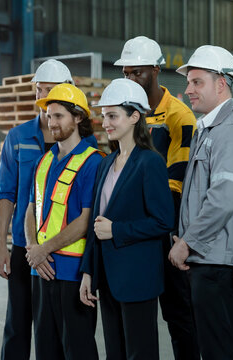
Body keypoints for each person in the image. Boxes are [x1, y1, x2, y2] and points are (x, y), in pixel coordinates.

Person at [0, 59, 97, 360]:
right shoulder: (17, 137)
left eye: (55, 91)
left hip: (64, 254)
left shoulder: (85, 144)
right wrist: (4, 245)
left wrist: (47, 249)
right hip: (25, 247)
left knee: (58, 334)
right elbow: (8, 194)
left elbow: (84, 205)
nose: (48, 98)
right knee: (18, 324)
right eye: (42, 91)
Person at [169, 45, 233, 360]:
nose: (189, 90)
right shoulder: (209, 128)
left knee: (219, 349)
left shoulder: (232, 131)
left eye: (197, 82)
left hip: (217, 259)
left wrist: (187, 242)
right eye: (189, 82)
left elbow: (222, 200)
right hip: (204, 257)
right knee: (214, 347)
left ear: (221, 83)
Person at [113, 35, 199, 360]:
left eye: (138, 72)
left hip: (166, 230)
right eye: (126, 73)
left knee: (179, 315)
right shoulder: (124, 115)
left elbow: (178, 181)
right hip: (133, 233)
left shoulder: (179, 117)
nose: (132, 79)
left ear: (156, 69)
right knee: (136, 316)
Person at [79, 78, 175, 360]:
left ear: (135, 116)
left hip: (137, 277)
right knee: (115, 354)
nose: (106, 123)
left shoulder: (150, 162)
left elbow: (163, 220)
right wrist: (88, 271)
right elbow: (96, 225)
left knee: (140, 353)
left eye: (112, 116)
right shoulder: (106, 162)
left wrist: (117, 230)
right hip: (107, 277)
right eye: (103, 116)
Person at [24, 83, 103, 359]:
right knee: (46, 349)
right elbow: (31, 209)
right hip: (40, 270)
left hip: (73, 273)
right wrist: (33, 248)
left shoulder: (93, 162)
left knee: (78, 350)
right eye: (49, 115)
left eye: (59, 116)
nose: (51, 121)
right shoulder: (43, 161)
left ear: (78, 117)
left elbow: (85, 221)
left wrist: (42, 250)